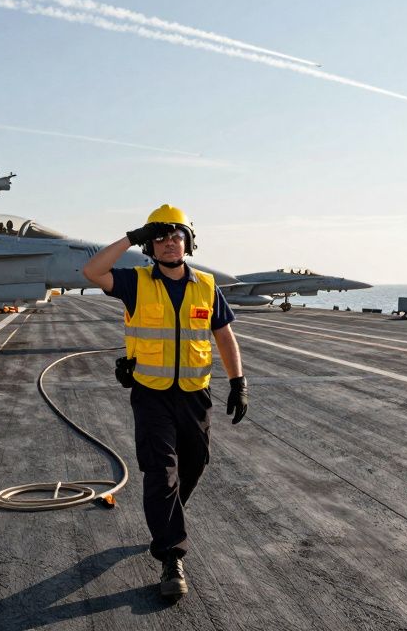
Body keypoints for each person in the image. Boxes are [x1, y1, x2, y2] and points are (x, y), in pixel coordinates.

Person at [82, 204, 247, 601]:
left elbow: (224, 336)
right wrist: (131, 236)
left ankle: (165, 516)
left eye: (176, 237)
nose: (169, 243)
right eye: (160, 238)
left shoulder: (206, 285)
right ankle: (171, 556)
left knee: (195, 463)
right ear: (150, 246)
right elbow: (92, 271)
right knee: (161, 473)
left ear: (189, 243)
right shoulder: (135, 282)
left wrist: (238, 382)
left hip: (195, 396)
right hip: (151, 395)